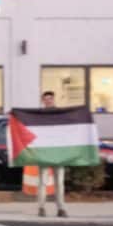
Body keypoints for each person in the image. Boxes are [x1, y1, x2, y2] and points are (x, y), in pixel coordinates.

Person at [37, 90, 68, 218]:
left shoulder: (60, 114)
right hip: (44, 152)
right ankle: (41, 207)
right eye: (46, 99)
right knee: (43, 181)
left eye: (50, 98)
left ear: (53, 100)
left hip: (58, 152)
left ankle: (61, 208)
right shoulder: (38, 116)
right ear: (43, 101)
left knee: (59, 182)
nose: (48, 100)